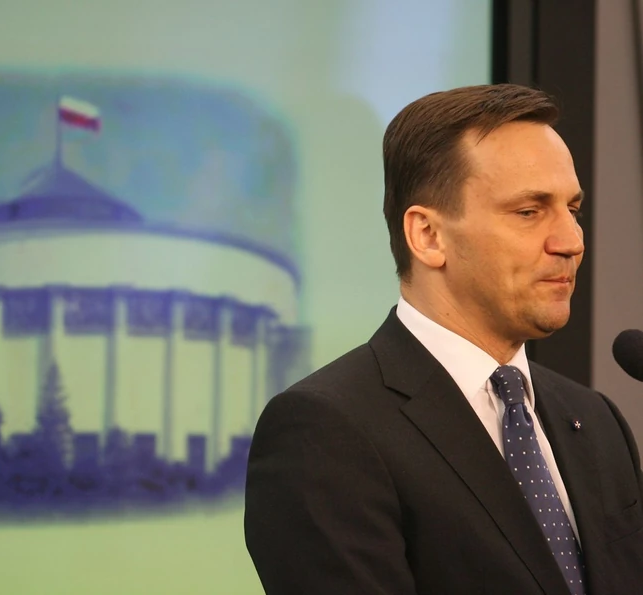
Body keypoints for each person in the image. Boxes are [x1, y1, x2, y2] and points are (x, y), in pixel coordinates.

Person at [243, 83, 643, 595]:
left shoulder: (595, 420)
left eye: (573, 209)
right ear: (428, 236)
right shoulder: (325, 431)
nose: (571, 241)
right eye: (529, 211)